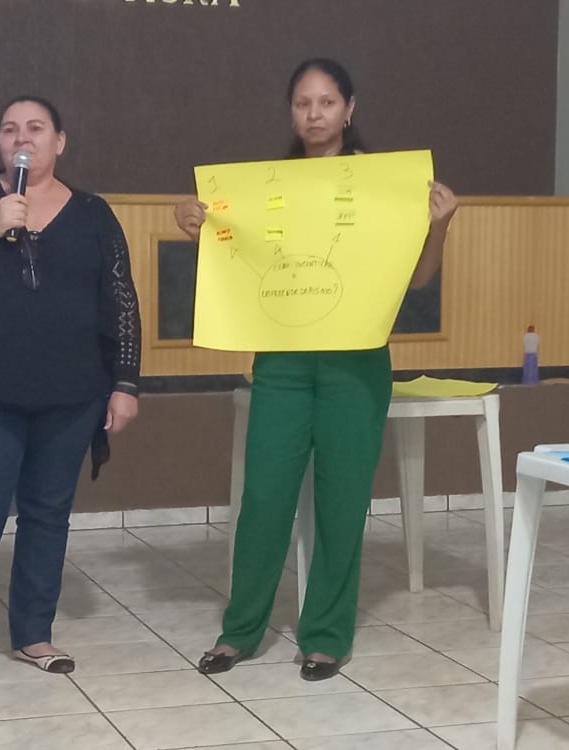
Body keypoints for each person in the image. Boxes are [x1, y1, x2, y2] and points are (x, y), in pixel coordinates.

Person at [174, 58, 457, 681]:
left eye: (327, 102)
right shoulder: (263, 189)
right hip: (281, 363)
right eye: (303, 103)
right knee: (264, 498)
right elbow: (240, 262)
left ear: (349, 109)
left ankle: (326, 635)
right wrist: (196, 223)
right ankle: (239, 630)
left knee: (342, 501)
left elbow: (418, 278)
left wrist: (439, 226)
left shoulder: (385, 185)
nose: (314, 113)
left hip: (357, 365)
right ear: (291, 112)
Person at [0, 95, 141, 691]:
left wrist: (125, 382)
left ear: (59, 141)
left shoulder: (92, 213)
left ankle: (34, 633)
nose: (22, 138)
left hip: (72, 395)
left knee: (47, 515)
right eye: (10, 129)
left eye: (36, 128)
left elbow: (121, 300)